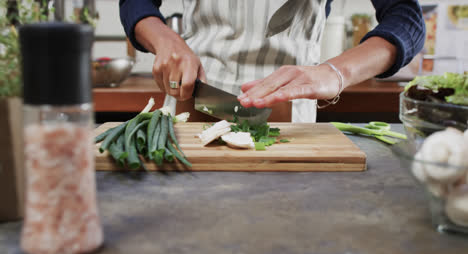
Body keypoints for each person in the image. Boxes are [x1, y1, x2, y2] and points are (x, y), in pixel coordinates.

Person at [119, 0, 425, 122]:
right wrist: (164, 39)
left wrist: (335, 72)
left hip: (287, 116)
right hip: (191, 102)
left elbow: (406, 20)